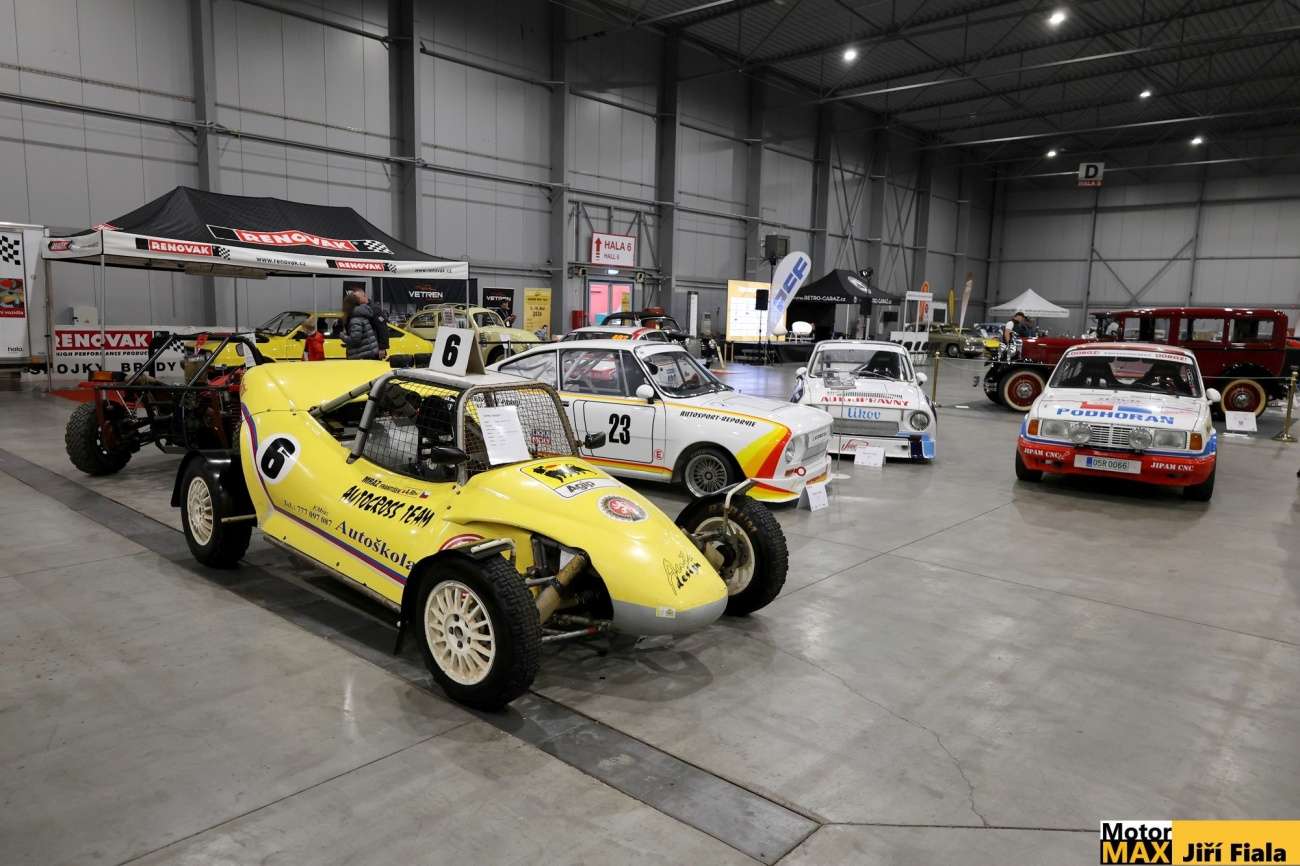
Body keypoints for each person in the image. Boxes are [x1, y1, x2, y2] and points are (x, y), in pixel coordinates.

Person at [342, 290, 387, 360]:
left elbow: (382, 329)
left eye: (358, 298)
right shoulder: (362, 312)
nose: (358, 300)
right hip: (369, 350)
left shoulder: (373, 310)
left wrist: (382, 347)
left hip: (366, 352)